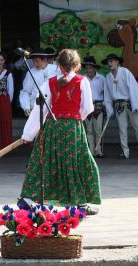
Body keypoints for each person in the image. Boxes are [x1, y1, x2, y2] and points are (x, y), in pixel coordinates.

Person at [20, 49, 101, 215]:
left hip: (52, 128)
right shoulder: (82, 81)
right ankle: (79, 203)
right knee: (75, 163)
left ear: (58, 65)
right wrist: (74, 118)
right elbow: (88, 108)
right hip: (72, 128)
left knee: (43, 162)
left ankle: (27, 199)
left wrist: (28, 135)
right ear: (76, 65)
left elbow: (39, 110)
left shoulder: (49, 83)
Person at [103, 54, 138, 159]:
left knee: (137, 126)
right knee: (122, 129)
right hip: (118, 105)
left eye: (112, 61)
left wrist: (135, 104)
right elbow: (107, 95)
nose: (110, 64)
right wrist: (109, 109)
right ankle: (125, 152)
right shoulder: (108, 77)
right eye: (108, 62)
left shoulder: (125, 72)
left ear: (117, 62)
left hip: (130, 102)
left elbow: (133, 87)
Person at [19, 48, 59, 117]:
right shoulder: (31, 72)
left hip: (53, 108)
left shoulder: (55, 69)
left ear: (45, 60)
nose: (34, 63)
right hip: (35, 107)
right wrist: (26, 107)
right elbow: (25, 91)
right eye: (33, 61)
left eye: (37, 61)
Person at [82, 56, 107, 158]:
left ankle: (99, 151)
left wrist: (105, 104)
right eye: (87, 68)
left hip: (98, 106)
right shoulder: (83, 79)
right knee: (89, 130)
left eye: (91, 68)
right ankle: (91, 151)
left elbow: (106, 93)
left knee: (98, 129)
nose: (89, 70)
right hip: (87, 106)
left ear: (95, 68)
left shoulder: (102, 78)